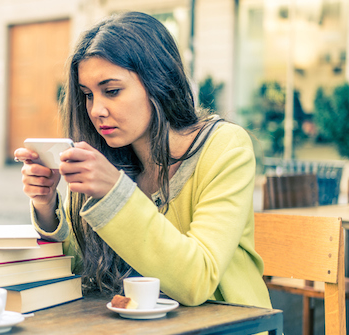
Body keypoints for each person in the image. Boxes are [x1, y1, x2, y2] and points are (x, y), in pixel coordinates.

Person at [14, 11, 271, 309]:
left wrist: (115, 192)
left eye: (112, 91)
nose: (96, 109)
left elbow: (196, 281)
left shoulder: (224, 146)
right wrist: (46, 205)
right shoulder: (107, 156)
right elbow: (83, 268)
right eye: (88, 95)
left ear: (158, 80)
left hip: (228, 324)